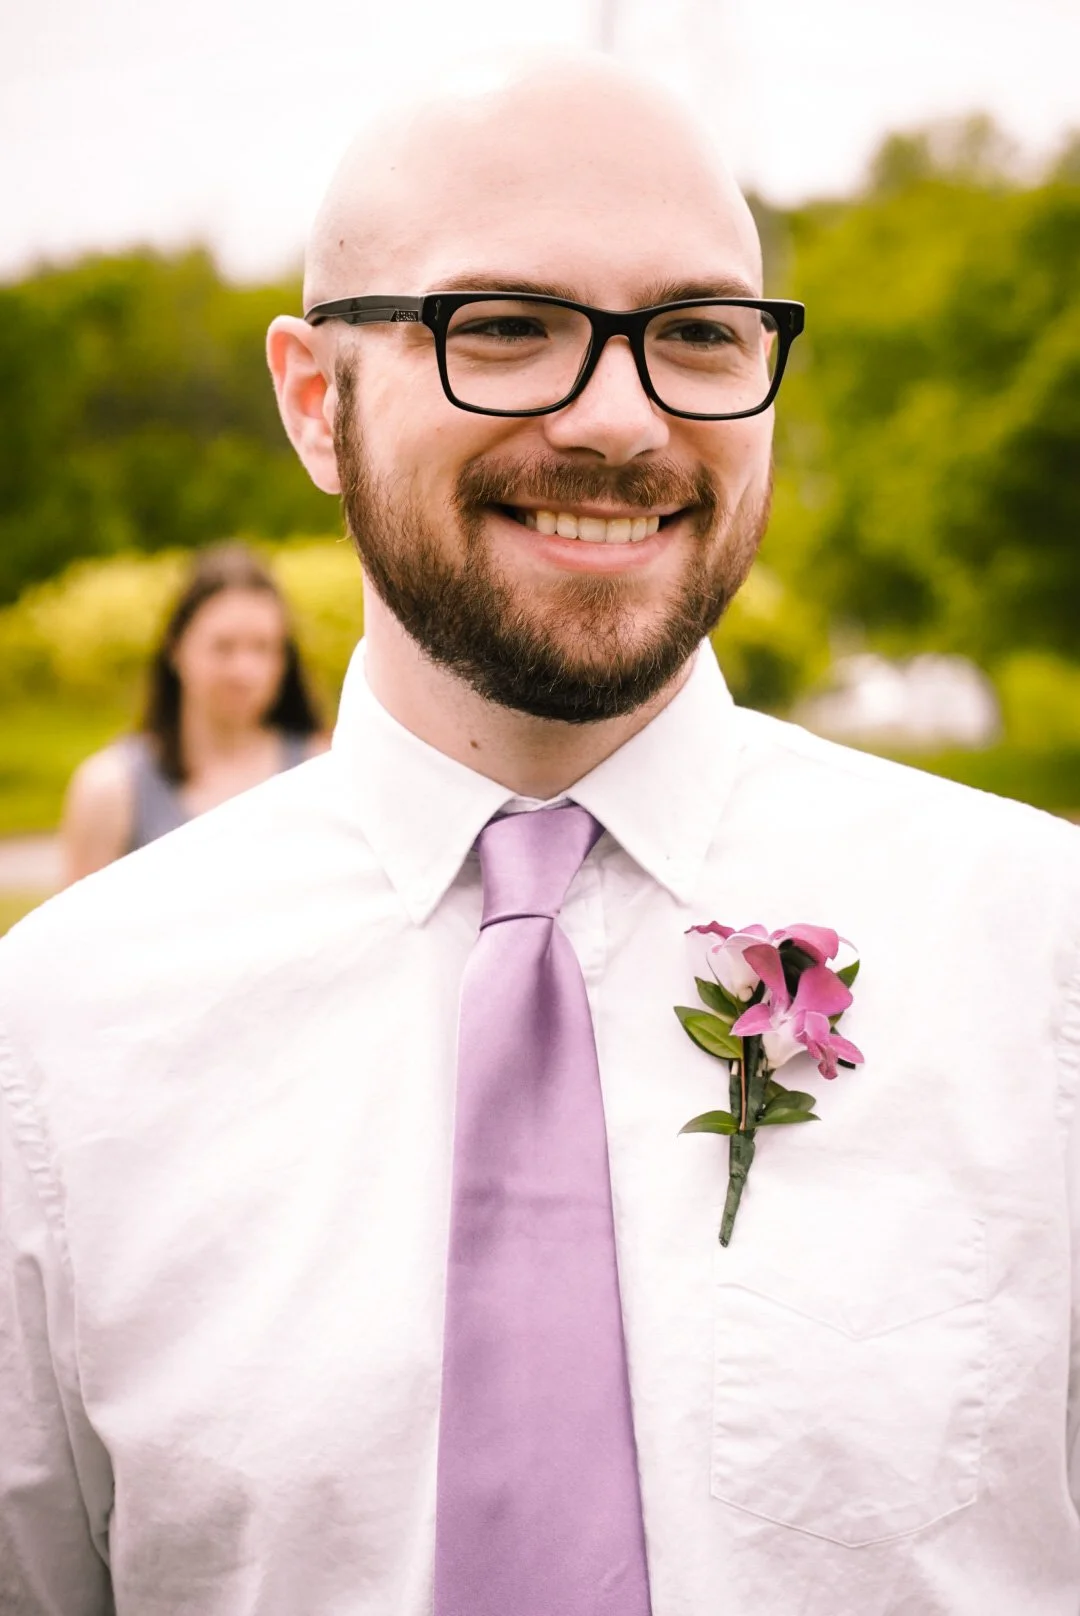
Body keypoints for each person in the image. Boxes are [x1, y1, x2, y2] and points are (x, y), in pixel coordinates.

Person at [1, 48, 1079, 1616]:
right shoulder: (60, 1041)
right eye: (505, 328)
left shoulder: (1047, 958)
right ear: (316, 400)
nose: (621, 420)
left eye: (700, 333)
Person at [60, 542, 328, 883]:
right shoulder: (111, 790)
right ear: (175, 649)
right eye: (223, 646)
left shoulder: (321, 773)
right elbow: (77, 933)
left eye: (263, 648)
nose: (244, 671)